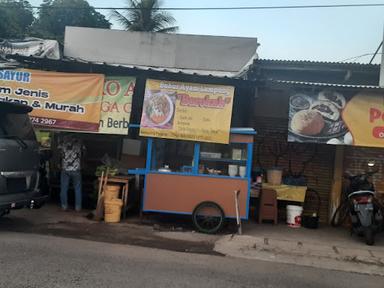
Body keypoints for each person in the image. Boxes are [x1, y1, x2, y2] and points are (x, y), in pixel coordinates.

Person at [58, 134, 85, 211]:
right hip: (76, 168)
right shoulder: (79, 140)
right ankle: (78, 207)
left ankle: (64, 206)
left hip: (65, 168)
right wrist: (81, 162)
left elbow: (60, 154)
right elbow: (84, 152)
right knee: (77, 189)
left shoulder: (63, 139)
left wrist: (60, 163)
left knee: (63, 188)